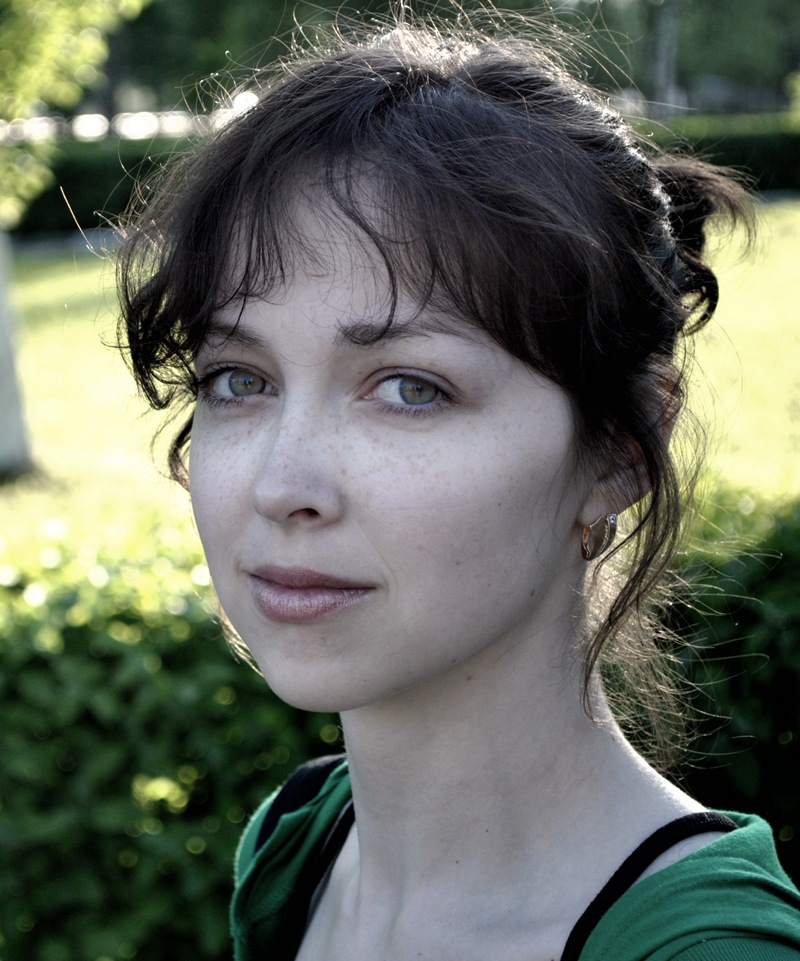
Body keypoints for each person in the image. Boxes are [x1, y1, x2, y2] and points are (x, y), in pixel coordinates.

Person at [117, 10, 800, 960]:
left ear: (620, 450)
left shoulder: (707, 950)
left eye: (410, 388)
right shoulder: (299, 849)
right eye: (240, 379)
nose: (282, 484)